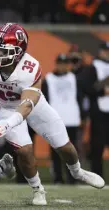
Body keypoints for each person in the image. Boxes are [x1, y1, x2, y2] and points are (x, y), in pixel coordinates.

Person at [0, 23, 105, 206]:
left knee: (64, 145)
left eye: (4, 51)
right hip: (3, 107)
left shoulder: (29, 68)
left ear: (19, 52)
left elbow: (27, 104)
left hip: (32, 106)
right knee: (24, 150)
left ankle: (77, 172)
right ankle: (38, 189)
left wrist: (7, 125)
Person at [42, 53, 82, 184]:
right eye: (60, 63)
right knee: (56, 150)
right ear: (56, 64)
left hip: (72, 118)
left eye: (65, 63)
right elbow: (45, 100)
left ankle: (73, 178)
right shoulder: (48, 79)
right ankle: (58, 177)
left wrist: (82, 116)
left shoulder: (74, 78)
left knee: (72, 151)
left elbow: (80, 98)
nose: (63, 66)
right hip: (55, 119)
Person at [77, 41, 109, 178]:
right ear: (101, 51)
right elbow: (86, 87)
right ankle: (97, 175)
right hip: (99, 112)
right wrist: (102, 92)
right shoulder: (92, 67)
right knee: (98, 145)